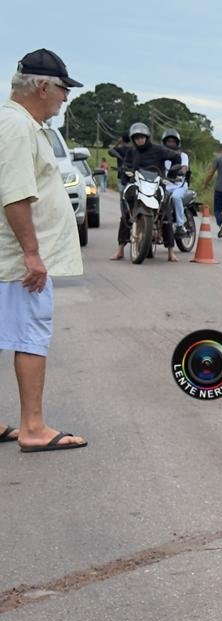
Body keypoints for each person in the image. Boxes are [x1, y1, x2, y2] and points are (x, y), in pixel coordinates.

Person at [0, 49, 88, 452]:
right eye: (62, 89)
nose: (65, 97)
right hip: (19, 260)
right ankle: (33, 427)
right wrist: (33, 255)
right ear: (41, 86)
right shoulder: (17, 127)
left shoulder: (18, 124)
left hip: (10, 255)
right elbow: (15, 196)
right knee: (31, 335)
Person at [109, 122, 183, 262]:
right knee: (126, 213)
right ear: (133, 139)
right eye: (137, 138)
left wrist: (172, 174)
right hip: (137, 184)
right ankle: (120, 250)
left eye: (142, 137)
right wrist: (125, 174)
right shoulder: (132, 151)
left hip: (156, 185)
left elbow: (176, 157)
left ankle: (171, 252)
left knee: (166, 215)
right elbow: (126, 165)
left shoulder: (158, 149)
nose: (139, 140)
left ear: (147, 137)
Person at [159, 128, 190, 239]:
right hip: (164, 184)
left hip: (178, 185)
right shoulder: (161, 156)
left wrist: (180, 172)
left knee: (176, 197)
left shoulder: (183, 156)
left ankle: (180, 225)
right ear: (164, 142)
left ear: (177, 143)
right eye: (168, 141)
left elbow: (184, 168)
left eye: (173, 141)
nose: (171, 144)